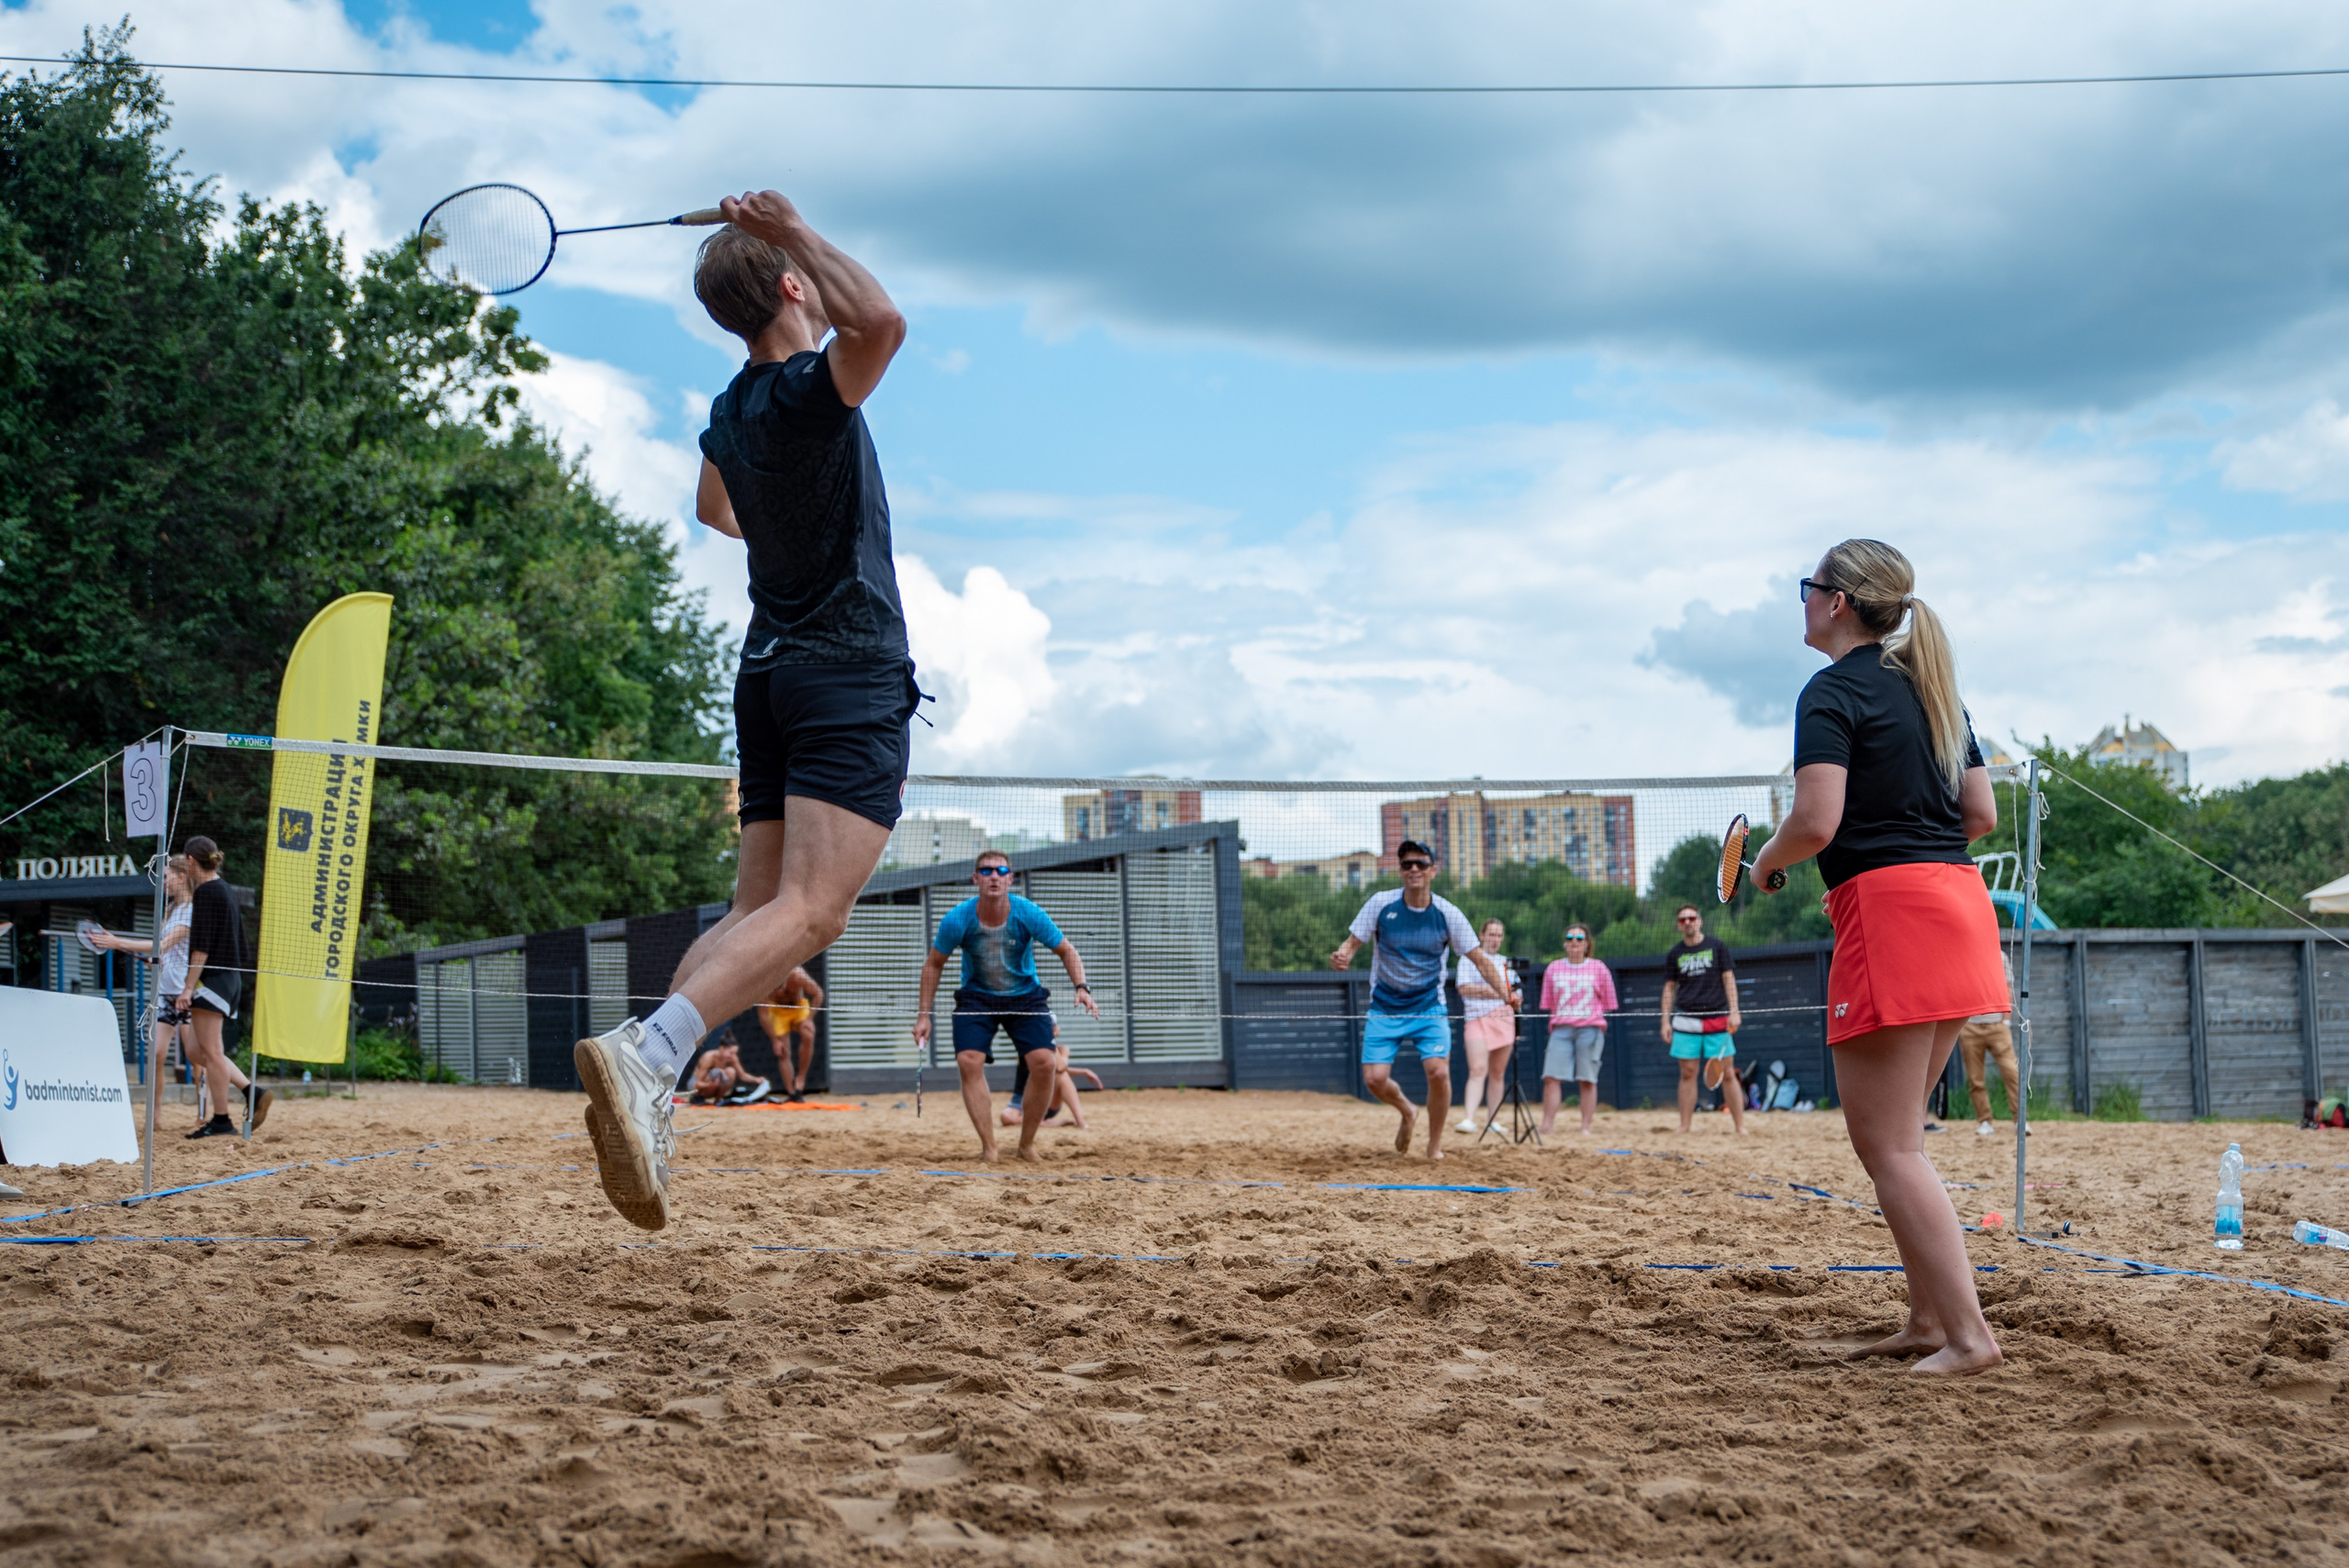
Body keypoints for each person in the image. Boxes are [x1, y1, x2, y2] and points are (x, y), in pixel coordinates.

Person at [571, 189, 914, 1230]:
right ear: (795, 286)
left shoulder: (731, 410)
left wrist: (784, 504)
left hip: (767, 671)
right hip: (843, 665)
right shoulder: (811, 390)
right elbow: (882, 321)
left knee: (754, 910)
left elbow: (714, 508)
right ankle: (653, 1051)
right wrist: (793, 227)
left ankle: (650, 1084)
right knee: (814, 913)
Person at [1747, 538, 2007, 1377]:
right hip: (1959, 903)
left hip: (1891, 912)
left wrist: (1768, 861)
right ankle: (1929, 1321)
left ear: (1838, 601)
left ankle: (1969, 1337)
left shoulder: (1829, 691)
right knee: (1904, 1140)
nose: (1803, 599)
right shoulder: (1933, 688)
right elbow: (1980, 815)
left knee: (1889, 1147)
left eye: (1808, 586)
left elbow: (1816, 820)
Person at [1330, 840, 1514, 1162]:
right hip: (1385, 1006)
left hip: (1429, 1007)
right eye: (1407, 864)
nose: (1413, 869)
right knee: (1374, 1079)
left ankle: (1434, 1147)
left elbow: (1481, 961)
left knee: (1438, 1072)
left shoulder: (1447, 913)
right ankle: (1407, 1110)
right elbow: (1351, 944)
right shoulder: (1380, 904)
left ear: (1433, 870)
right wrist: (1342, 956)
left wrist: (1507, 995)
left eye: (1420, 864)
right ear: (1400, 870)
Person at [914, 851, 1102, 1162]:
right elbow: (934, 964)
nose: (994, 876)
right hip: (977, 996)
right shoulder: (958, 918)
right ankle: (989, 1148)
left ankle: (1026, 1145)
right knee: (968, 1061)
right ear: (975, 878)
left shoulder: (1028, 912)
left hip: (1025, 996)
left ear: (1010, 879)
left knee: (1045, 1063)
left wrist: (1082, 987)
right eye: (986, 871)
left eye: (1001, 871)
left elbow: (1067, 951)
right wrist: (924, 1016)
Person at [85, 857, 198, 1128]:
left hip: (186, 993)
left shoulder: (191, 910)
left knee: (196, 1057)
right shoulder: (171, 909)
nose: (163, 882)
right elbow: (165, 951)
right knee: (156, 1056)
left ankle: (203, 1114)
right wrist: (155, 961)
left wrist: (116, 942)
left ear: (181, 877)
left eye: (167, 876)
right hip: (165, 994)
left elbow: (162, 944)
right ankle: (155, 1117)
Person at [177, 836, 270, 1139]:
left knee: (213, 1053)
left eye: (184, 860)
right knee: (196, 1050)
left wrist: (187, 988)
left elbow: (201, 947)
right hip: (228, 979)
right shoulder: (224, 889)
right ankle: (251, 1091)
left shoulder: (206, 892)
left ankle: (221, 1121)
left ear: (191, 861)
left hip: (215, 980)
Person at [1660, 904, 1746, 1136]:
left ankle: (1740, 1127)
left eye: (1691, 918)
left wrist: (1734, 1011)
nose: (1687, 922)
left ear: (1700, 921)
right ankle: (1684, 1126)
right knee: (1687, 1073)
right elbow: (1669, 988)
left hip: (1717, 1017)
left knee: (1728, 1073)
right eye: (1682, 920)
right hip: (1686, 1020)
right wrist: (1665, 1021)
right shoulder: (1675, 953)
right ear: (1679, 926)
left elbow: (1729, 979)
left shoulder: (1717, 946)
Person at [1539, 925, 1618, 1137]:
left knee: (1588, 1079)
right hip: (1561, 1029)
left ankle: (1585, 1127)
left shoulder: (1598, 968)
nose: (1574, 941)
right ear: (1565, 943)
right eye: (1570, 937)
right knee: (1551, 1077)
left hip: (1590, 1029)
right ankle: (1547, 1124)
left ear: (1587, 944)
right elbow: (1548, 1002)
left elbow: (1610, 1002)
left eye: (1579, 938)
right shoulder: (1553, 969)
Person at [1453, 918, 1523, 1135]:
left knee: (1498, 1072)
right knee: (1477, 1069)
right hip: (1476, 1018)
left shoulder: (1506, 963)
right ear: (1482, 935)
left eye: (1499, 935)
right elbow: (1464, 988)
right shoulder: (1468, 959)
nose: (1495, 939)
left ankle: (1494, 1121)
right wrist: (1499, 993)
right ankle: (1469, 1119)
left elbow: (1517, 995)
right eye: (1491, 934)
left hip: (1503, 1020)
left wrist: (1510, 997)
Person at [1958, 950, 2021, 1137]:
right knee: (1975, 1077)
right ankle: (1984, 1121)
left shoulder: (2000, 956)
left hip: (1997, 1025)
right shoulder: (1963, 954)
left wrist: (2006, 1020)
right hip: (1970, 1026)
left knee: (2012, 1072)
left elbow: (2008, 987)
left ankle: (2020, 1120)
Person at [999, 1027, 1104, 1129]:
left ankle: (1081, 1122)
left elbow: (1060, 1068)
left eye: (1053, 1026)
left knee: (1062, 1075)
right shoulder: (1030, 1047)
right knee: (1006, 1117)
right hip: (1022, 1104)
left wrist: (1083, 1070)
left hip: (1047, 1102)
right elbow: (1058, 1067)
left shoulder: (1059, 1049)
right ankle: (1048, 1123)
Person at [755, 966, 825, 1102]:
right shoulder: (766, 984)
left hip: (798, 1006)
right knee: (783, 1051)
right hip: (778, 1011)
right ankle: (792, 1093)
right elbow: (763, 1016)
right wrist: (775, 1041)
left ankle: (801, 1078)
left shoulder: (797, 976)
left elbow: (818, 994)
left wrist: (809, 1019)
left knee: (808, 1034)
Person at [687, 1031, 771, 1106]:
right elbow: (697, 1083)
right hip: (696, 1088)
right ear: (721, 1048)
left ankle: (717, 1101)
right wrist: (709, 1085)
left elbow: (742, 1075)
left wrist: (757, 1080)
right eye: (730, 1052)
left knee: (731, 1071)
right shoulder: (709, 1057)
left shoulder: (732, 1057)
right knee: (716, 1073)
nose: (732, 1056)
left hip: (713, 1086)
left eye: (734, 1053)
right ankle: (697, 1098)